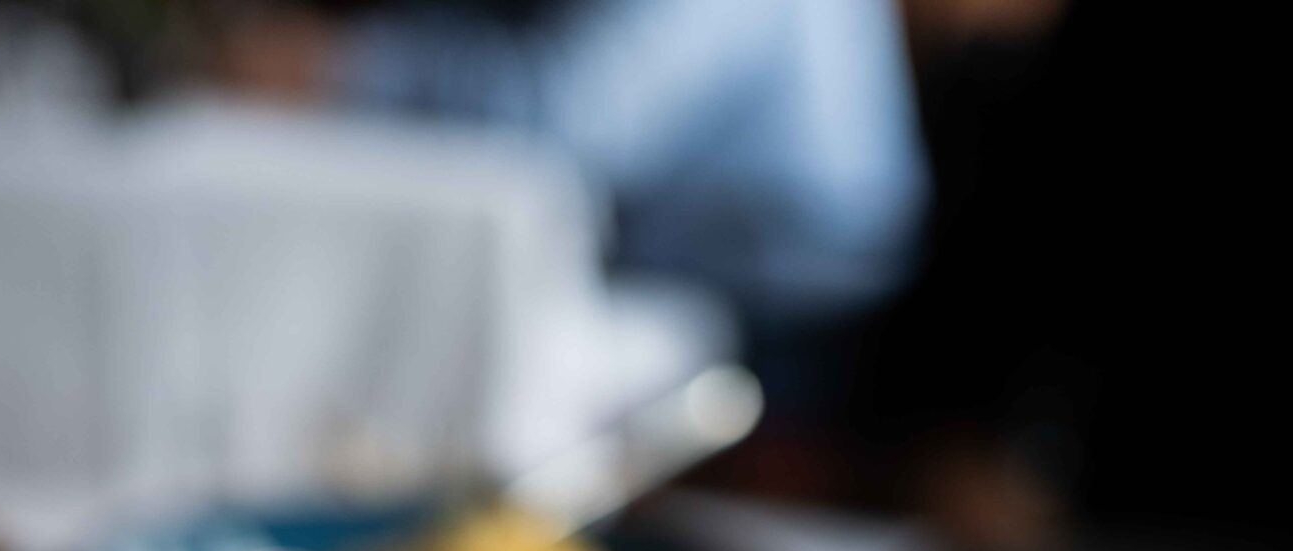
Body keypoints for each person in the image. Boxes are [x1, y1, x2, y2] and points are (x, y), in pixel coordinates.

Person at [208, 0, 933, 403]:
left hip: (786, 317)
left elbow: (568, 120)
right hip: (680, 262)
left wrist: (338, 66)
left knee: (425, 383)